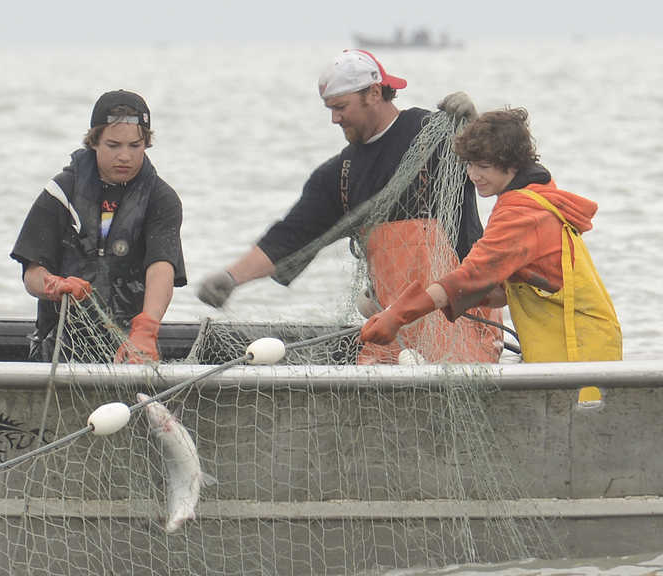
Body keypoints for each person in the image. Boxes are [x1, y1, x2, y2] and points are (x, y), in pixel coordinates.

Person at [196, 48, 500, 364]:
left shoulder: (436, 135)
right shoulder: (339, 176)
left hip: (464, 323)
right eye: (330, 109)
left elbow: (499, 169)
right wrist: (231, 278)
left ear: (373, 93)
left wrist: (475, 126)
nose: (334, 118)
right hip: (394, 332)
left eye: (341, 107)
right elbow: (287, 240)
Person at [360, 107, 622, 400]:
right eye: (469, 165)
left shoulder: (522, 213)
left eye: (483, 166)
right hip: (581, 341)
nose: (473, 175)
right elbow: (505, 291)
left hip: (578, 351)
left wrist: (400, 314)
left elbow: (472, 275)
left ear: (511, 164)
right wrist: (443, 301)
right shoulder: (537, 196)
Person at [11, 90, 186, 364]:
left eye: (135, 146)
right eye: (113, 145)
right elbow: (31, 274)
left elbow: (162, 266)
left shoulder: (162, 200)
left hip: (131, 345)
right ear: (94, 142)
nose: (125, 156)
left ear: (146, 144)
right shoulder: (60, 193)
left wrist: (147, 329)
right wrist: (54, 285)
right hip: (59, 343)